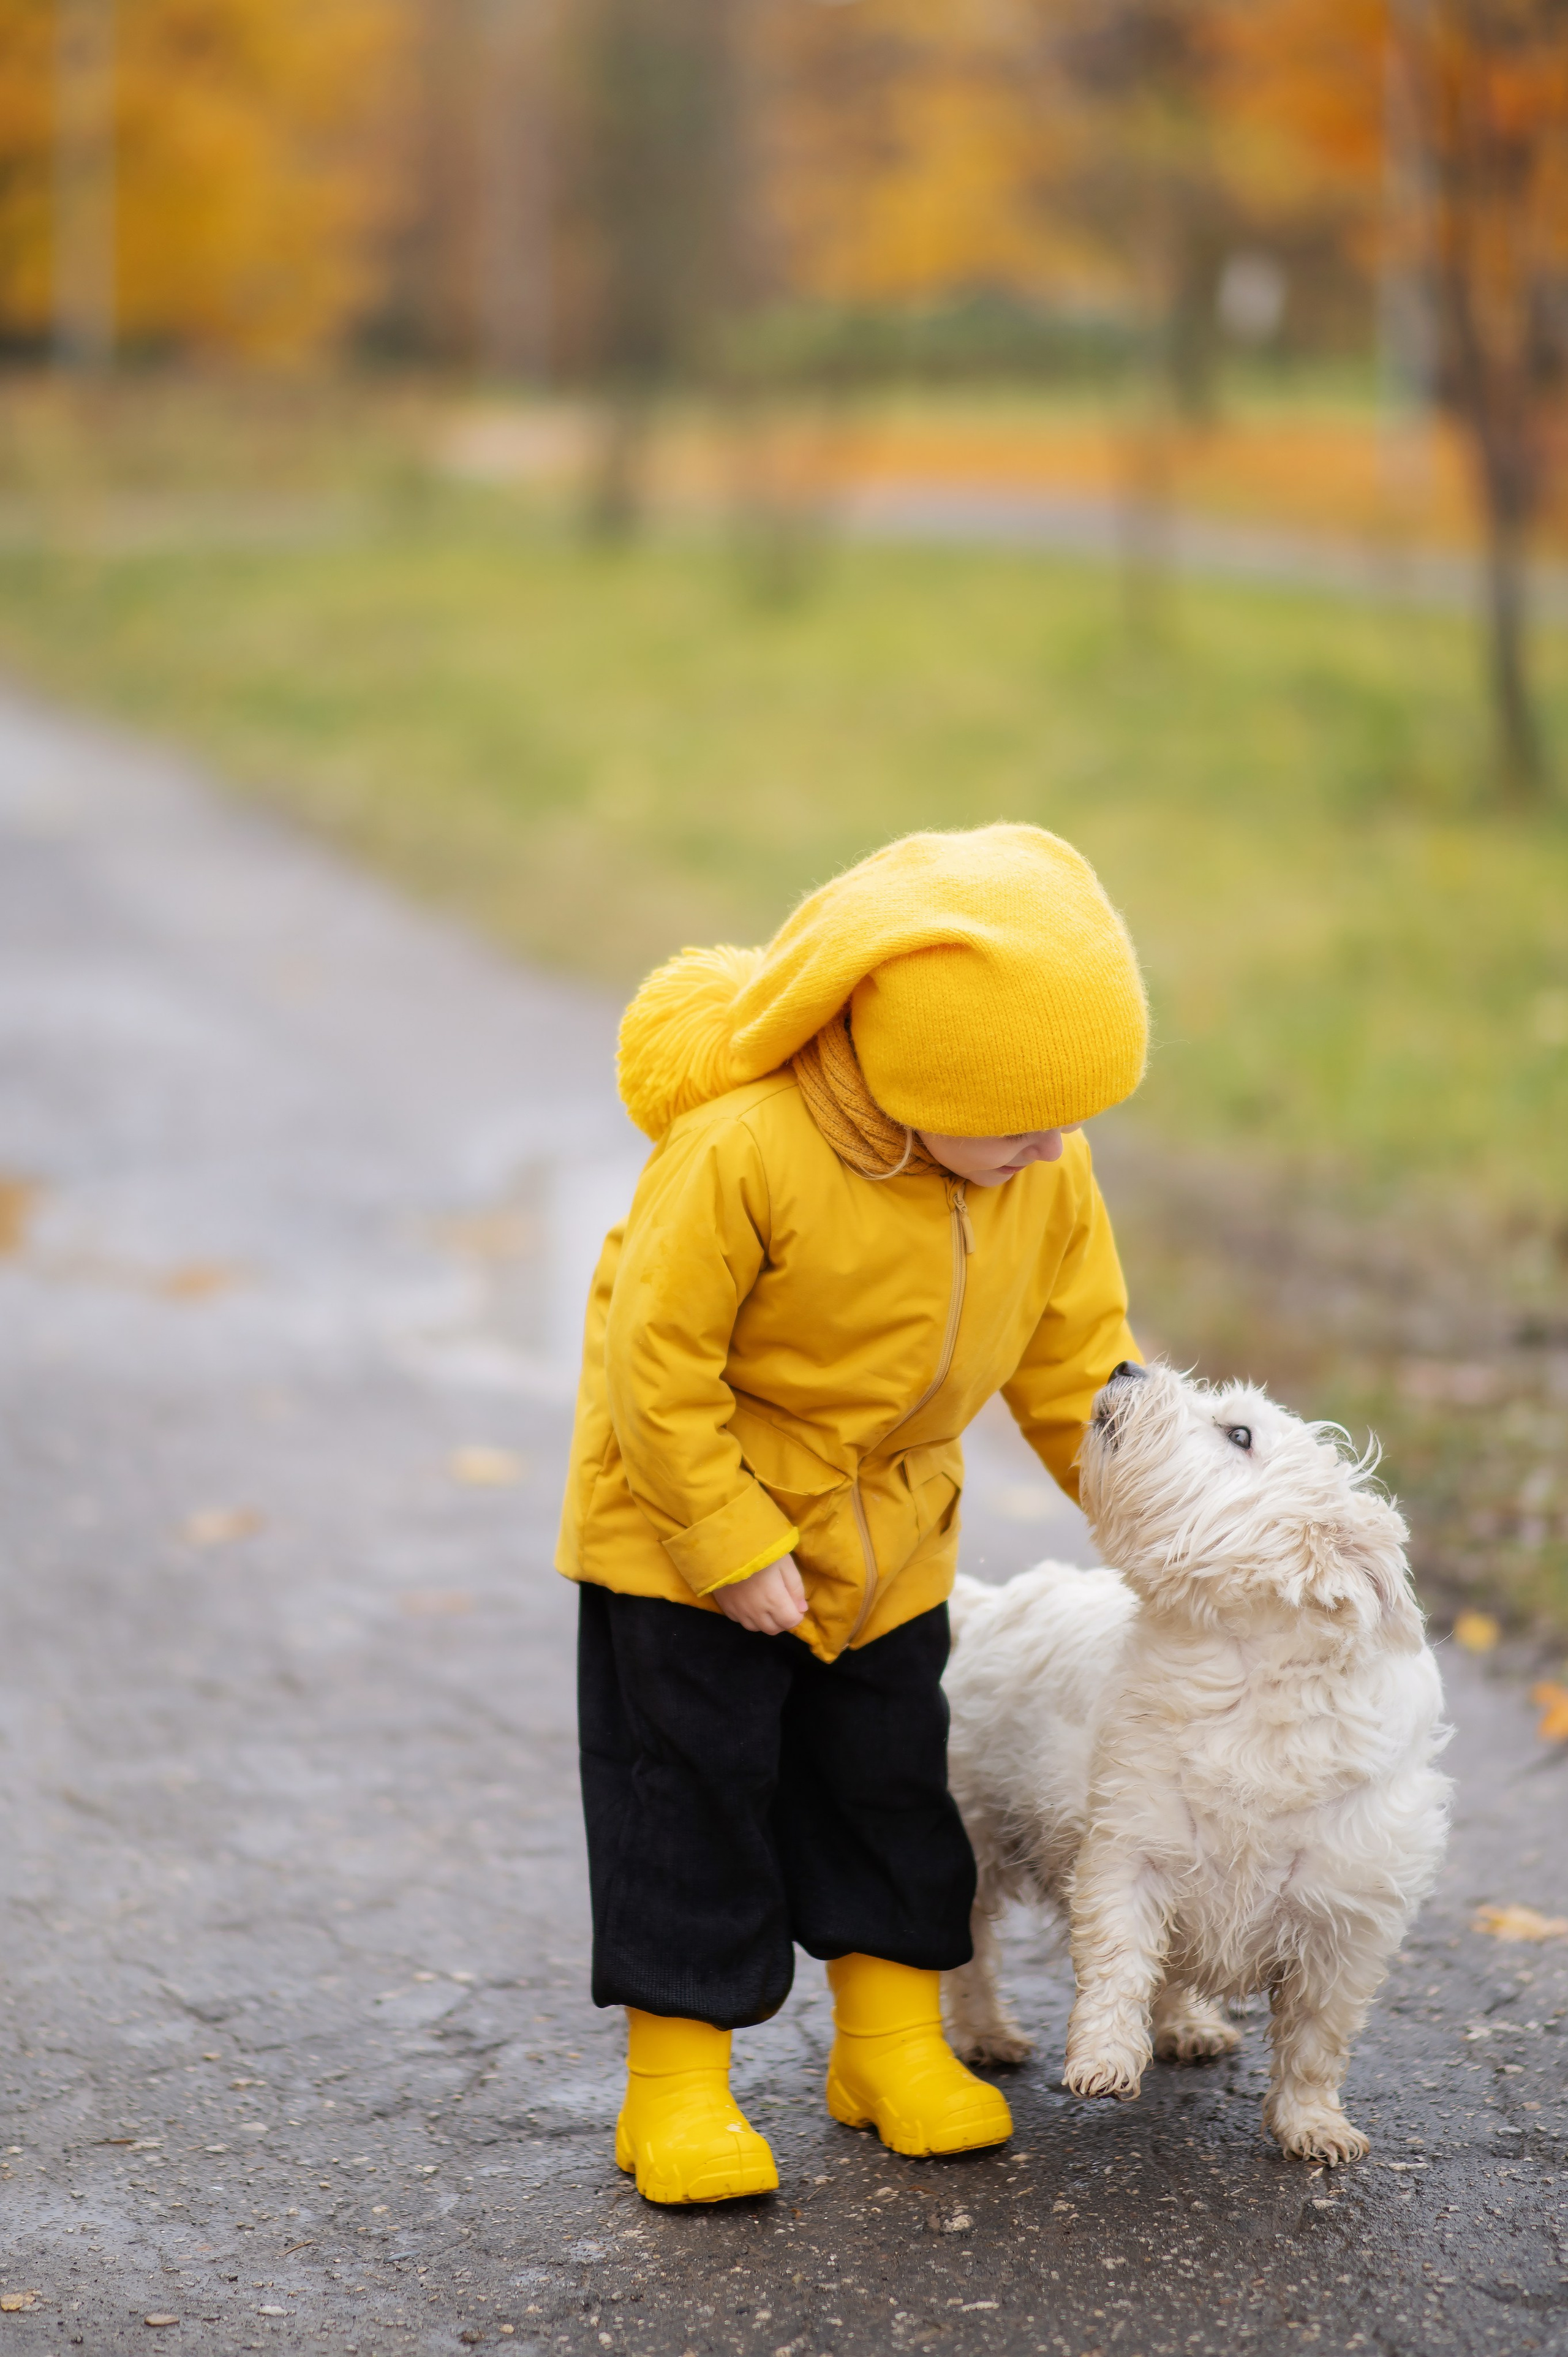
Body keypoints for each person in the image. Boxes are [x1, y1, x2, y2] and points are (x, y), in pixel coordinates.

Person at [556, 821, 1147, 2205]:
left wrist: (1155, 1524)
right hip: (681, 1531)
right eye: (1023, 1117)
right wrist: (727, 1545)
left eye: (1076, 1115)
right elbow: (652, 1366)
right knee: (690, 1797)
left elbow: (1077, 1357)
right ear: (915, 1075)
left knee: (890, 1787)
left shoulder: (1038, 1165)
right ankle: (676, 2088)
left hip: (887, 1539)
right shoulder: (741, 1150)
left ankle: (885, 2045)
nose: (1056, 1143)